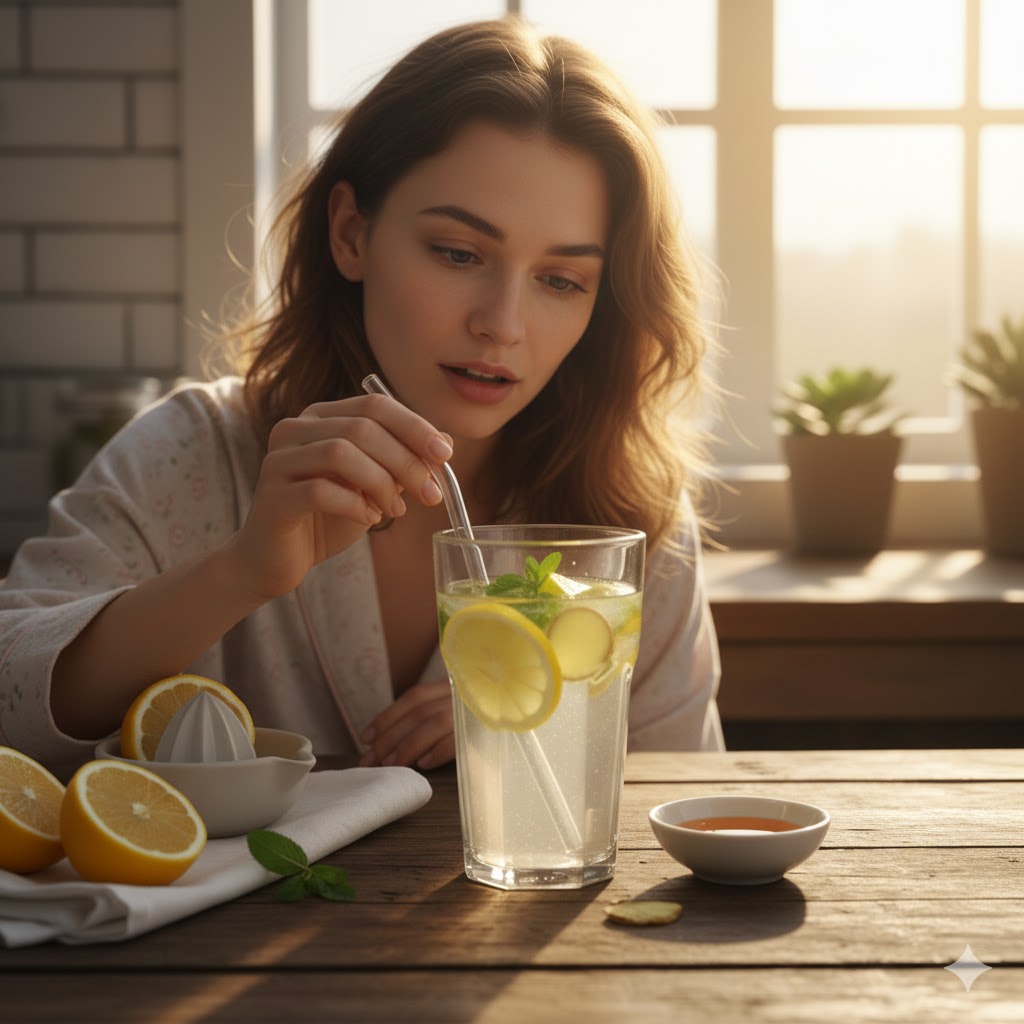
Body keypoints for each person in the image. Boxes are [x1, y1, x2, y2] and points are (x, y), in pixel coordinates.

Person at [0, 17, 724, 780]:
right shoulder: (194, 452)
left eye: (560, 280)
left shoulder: (628, 513)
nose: (502, 325)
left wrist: (547, 730)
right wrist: (241, 572)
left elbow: (681, 801)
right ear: (350, 233)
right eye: (457, 253)